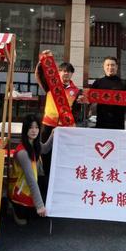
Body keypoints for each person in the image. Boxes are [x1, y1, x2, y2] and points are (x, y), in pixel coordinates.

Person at [34, 51, 81, 194]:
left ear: (72, 74)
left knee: (62, 154)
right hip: (48, 125)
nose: (66, 74)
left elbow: (76, 111)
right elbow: (39, 75)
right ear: (58, 72)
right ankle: (45, 183)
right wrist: (42, 62)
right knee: (45, 153)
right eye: (63, 71)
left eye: (68, 72)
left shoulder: (76, 91)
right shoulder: (51, 86)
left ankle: (60, 183)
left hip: (65, 128)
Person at [8, 115, 53, 225]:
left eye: (36, 127)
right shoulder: (23, 152)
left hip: (30, 186)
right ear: (25, 129)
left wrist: (53, 135)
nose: (34, 131)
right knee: (26, 220)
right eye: (31, 127)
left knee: (44, 213)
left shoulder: (34, 143)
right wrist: (40, 205)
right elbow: (31, 179)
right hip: (20, 190)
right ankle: (13, 205)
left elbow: (45, 149)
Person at [88, 56, 126, 130]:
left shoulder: (123, 84)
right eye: (107, 65)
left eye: (112, 65)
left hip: (118, 125)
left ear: (116, 67)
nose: (110, 67)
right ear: (104, 67)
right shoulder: (98, 83)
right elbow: (88, 101)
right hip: (101, 123)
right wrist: (83, 102)